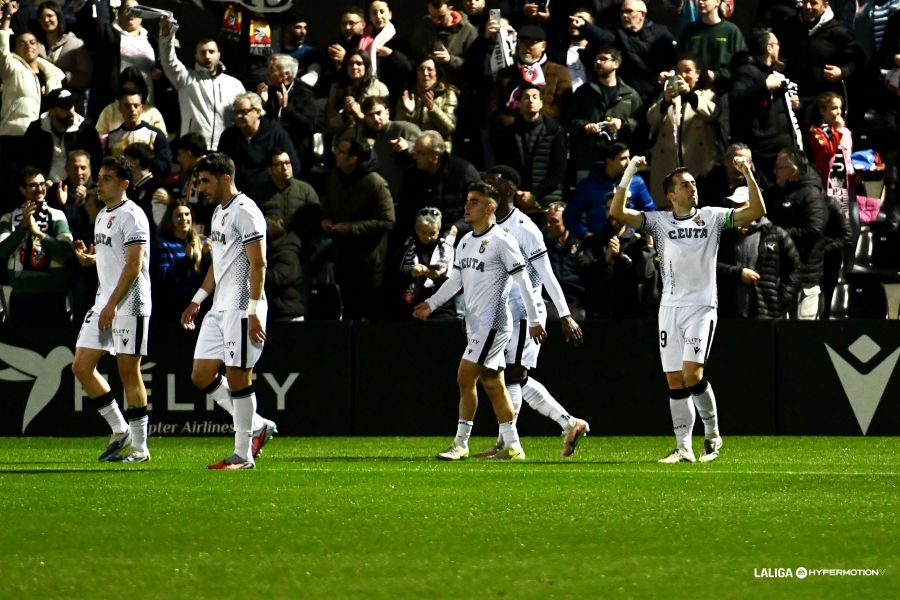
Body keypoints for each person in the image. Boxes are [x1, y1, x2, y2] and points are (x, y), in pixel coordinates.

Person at [609, 154, 766, 463]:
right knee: (674, 380)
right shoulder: (659, 221)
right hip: (669, 308)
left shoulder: (712, 217)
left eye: (693, 183)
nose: (692, 188)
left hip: (701, 306)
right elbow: (617, 211)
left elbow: (757, 211)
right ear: (671, 195)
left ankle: (712, 435)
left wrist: (747, 172)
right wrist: (629, 172)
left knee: (692, 374)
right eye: (684, 185)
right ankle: (683, 449)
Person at [413, 182, 547, 461]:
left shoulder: (502, 240)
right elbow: (456, 281)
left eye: (473, 201)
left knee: (464, 376)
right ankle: (513, 446)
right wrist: (432, 303)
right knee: (493, 383)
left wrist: (534, 318)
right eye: (467, 200)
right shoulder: (465, 240)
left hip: (494, 322)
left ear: (489, 207)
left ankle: (461, 443)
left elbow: (523, 280)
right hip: (476, 323)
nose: (467, 205)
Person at [474, 166, 589, 459]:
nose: (487, 185)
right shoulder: (489, 227)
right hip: (501, 313)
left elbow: (546, 275)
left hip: (524, 312)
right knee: (513, 377)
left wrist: (564, 315)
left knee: (512, 375)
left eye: (492, 182)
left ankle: (508, 445)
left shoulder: (525, 229)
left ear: (508, 190)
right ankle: (569, 423)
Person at [180, 153, 278, 470]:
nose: (201, 188)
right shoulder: (219, 213)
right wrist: (197, 299)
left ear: (225, 178)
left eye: (205, 181)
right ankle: (259, 425)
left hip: (241, 305)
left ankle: (242, 454)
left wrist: (252, 311)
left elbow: (259, 264)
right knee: (202, 374)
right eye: (198, 182)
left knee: (238, 377)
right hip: (219, 306)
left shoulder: (246, 211)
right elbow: (218, 263)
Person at [70, 156, 152, 463]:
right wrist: (91, 261)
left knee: (129, 372)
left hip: (130, 303)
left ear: (124, 184)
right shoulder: (103, 214)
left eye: (106, 178)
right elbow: (113, 259)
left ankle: (141, 448)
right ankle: (120, 430)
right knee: (81, 366)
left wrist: (112, 304)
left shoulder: (134, 216)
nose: (98, 183)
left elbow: (134, 266)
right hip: (105, 301)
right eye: (100, 177)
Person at [158, 15, 245, 151]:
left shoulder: (235, 85)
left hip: (225, 148)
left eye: (211, 52)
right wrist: (167, 36)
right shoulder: (185, 79)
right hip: (192, 149)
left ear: (219, 54)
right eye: (203, 52)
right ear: (196, 56)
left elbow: (245, 115)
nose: (207, 56)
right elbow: (168, 61)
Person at [0, 167, 74, 322]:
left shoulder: (56, 215)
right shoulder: (8, 218)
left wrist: (39, 234)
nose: (40, 189)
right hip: (21, 294)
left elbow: (67, 251)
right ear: (22, 189)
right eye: (33, 185)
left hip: (53, 293)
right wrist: (22, 229)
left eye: (42, 184)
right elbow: (2, 251)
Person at [647, 54, 721, 206]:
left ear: (698, 74)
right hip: (667, 165)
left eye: (687, 71)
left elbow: (712, 113)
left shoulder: (708, 95)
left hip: (696, 164)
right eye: (679, 71)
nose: (683, 75)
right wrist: (665, 101)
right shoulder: (667, 96)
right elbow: (651, 119)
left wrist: (689, 94)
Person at [767, 148, 829, 319]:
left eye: (779, 168)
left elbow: (814, 230)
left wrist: (780, 235)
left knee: (803, 333)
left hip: (805, 276)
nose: (774, 172)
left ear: (792, 170)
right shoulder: (776, 192)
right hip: (780, 274)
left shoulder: (811, 194)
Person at [151, 203, 210, 321]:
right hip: (172, 311)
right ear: (170, 220)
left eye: (187, 214)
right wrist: (186, 260)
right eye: (179, 215)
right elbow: (163, 278)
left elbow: (206, 279)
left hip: (199, 308)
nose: (184, 218)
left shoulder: (200, 241)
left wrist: (206, 256)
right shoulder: (162, 243)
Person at [395, 207, 455, 319]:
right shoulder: (404, 250)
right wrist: (410, 274)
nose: (428, 237)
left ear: (439, 230)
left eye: (433, 233)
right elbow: (393, 280)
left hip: (440, 307)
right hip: (410, 305)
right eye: (423, 233)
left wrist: (437, 277)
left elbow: (456, 286)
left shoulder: (448, 250)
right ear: (416, 229)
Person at [34, 1, 92, 114]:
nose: (46, 20)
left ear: (58, 17)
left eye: (50, 16)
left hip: (70, 106)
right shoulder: (34, 46)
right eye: (42, 17)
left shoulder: (75, 44)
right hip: (42, 107)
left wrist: (66, 77)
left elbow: (86, 77)